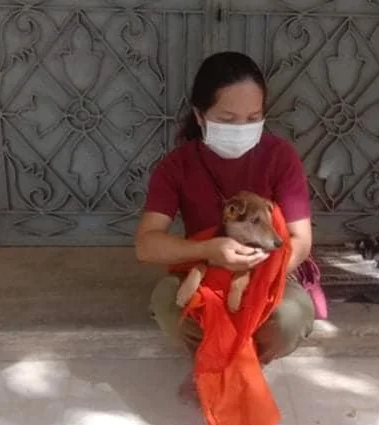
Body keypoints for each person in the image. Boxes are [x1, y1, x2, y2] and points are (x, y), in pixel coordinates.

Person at [135, 51, 316, 379]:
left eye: (253, 118)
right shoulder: (177, 166)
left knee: (289, 318)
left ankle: (238, 371)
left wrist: (256, 275)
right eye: (228, 120)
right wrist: (208, 251)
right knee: (168, 304)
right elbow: (147, 245)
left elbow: (300, 241)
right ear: (200, 116)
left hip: (268, 270)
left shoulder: (280, 157)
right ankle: (217, 365)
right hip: (205, 271)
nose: (242, 128)